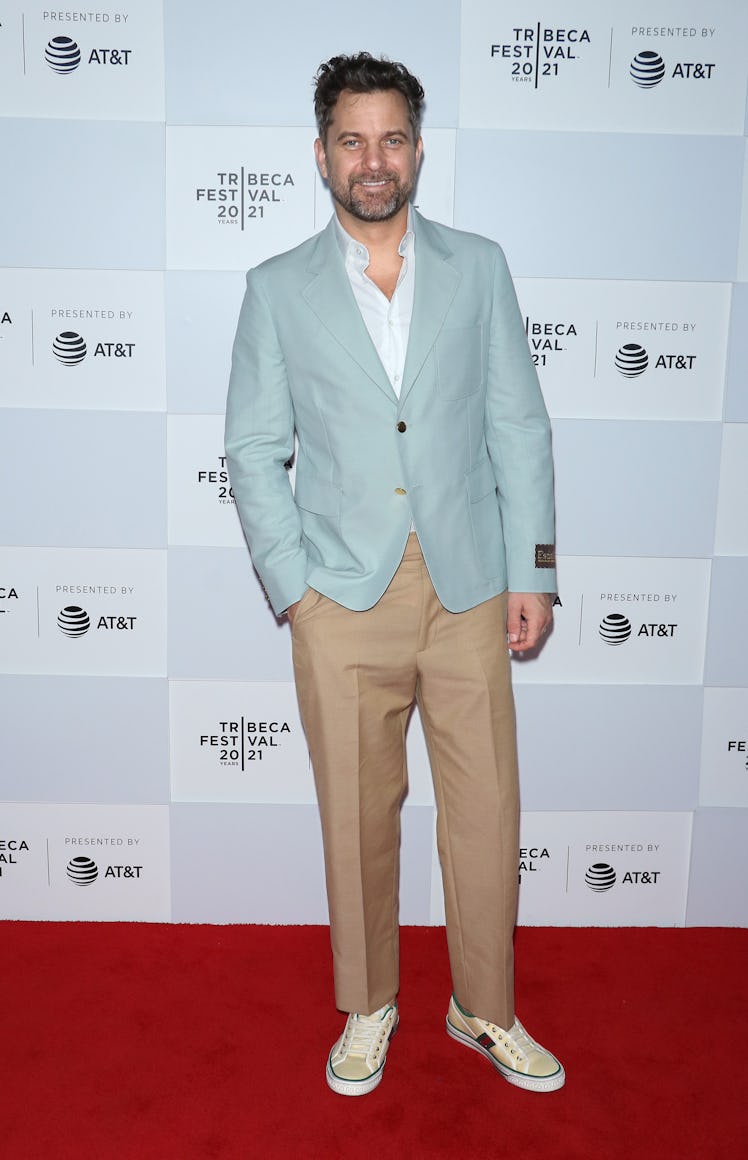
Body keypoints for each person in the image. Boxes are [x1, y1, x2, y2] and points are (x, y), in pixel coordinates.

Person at [225, 51, 564, 1097]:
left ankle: (484, 1006)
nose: (373, 161)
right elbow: (251, 448)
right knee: (356, 811)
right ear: (321, 153)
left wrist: (534, 570)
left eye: (392, 138)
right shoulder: (275, 288)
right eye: (351, 139)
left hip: (467, 586)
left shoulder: (480, 266)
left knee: (486, 807)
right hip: (342, 595)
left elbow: (519, 424)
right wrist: (296, 590)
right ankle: (369, 1003)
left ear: (419, 148)